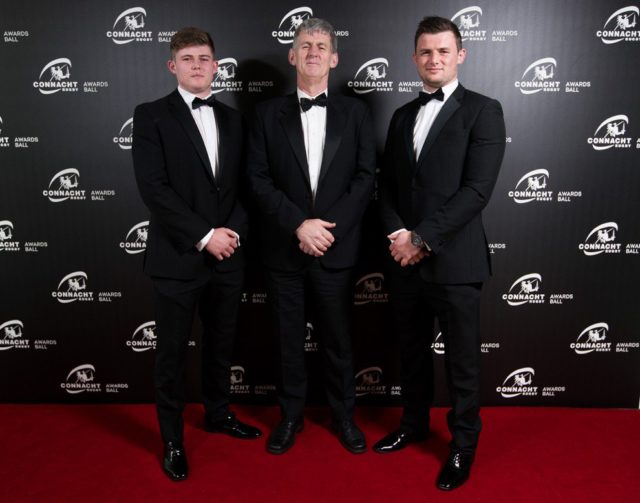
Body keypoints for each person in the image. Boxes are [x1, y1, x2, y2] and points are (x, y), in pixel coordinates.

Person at [375, 16, 506, 491]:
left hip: (456, 261)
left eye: (443, 52)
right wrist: (397, 234)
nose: (434, 60)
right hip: (404, 260)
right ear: (414, 58)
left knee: (462, 363)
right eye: (425, 52)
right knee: (410, 354)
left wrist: (421, 238)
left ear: (460, 55)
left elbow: (476, 191)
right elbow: (386, 186)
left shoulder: (484, 110)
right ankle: (413, 424)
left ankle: (463, 445)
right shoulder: (401, 116)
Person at [132, 27, 261, 482]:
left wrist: (231, 236)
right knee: (170, 353)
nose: (197, 65)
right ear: (173, 66)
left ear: (215, 65)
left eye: (205, 58)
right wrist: (206, 235)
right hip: (177, 255)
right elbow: (155, 189)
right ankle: (171, 439)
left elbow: (249, 187)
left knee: (221, 344)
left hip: (229, 255)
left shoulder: (234, 120)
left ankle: (219, 413)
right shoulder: (150, 117)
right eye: (188, 58)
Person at [246, 18, 375, 455]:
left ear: (334, 58)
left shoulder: (357, 113)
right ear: (292, 55)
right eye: (305, 45)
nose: (314, 52)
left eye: (321, 45)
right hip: (284, 246)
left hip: (336, 249)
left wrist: (325, 230)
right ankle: (290, 418)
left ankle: (344, 418)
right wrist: (299, 225)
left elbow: (363, 179)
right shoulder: (265, 114)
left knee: (339, 340)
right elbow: (258, 179)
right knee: (286, 341)